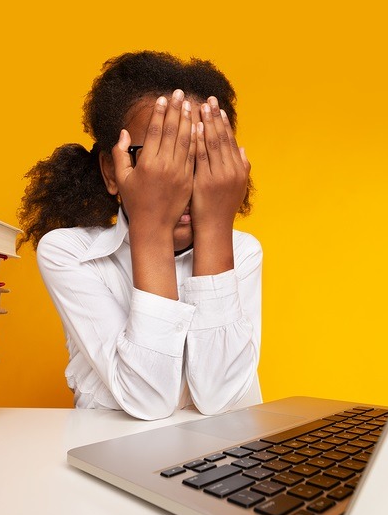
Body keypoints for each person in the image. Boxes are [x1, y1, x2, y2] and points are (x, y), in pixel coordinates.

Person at [18, 51, 262, 420]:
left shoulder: (243, 252)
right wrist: (152, 226)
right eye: (158, 160)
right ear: (113, 170)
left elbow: (221, 400)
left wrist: (214, 227)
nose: (180, 180)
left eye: (202, 160)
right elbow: (150, 399)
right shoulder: (69, 252)